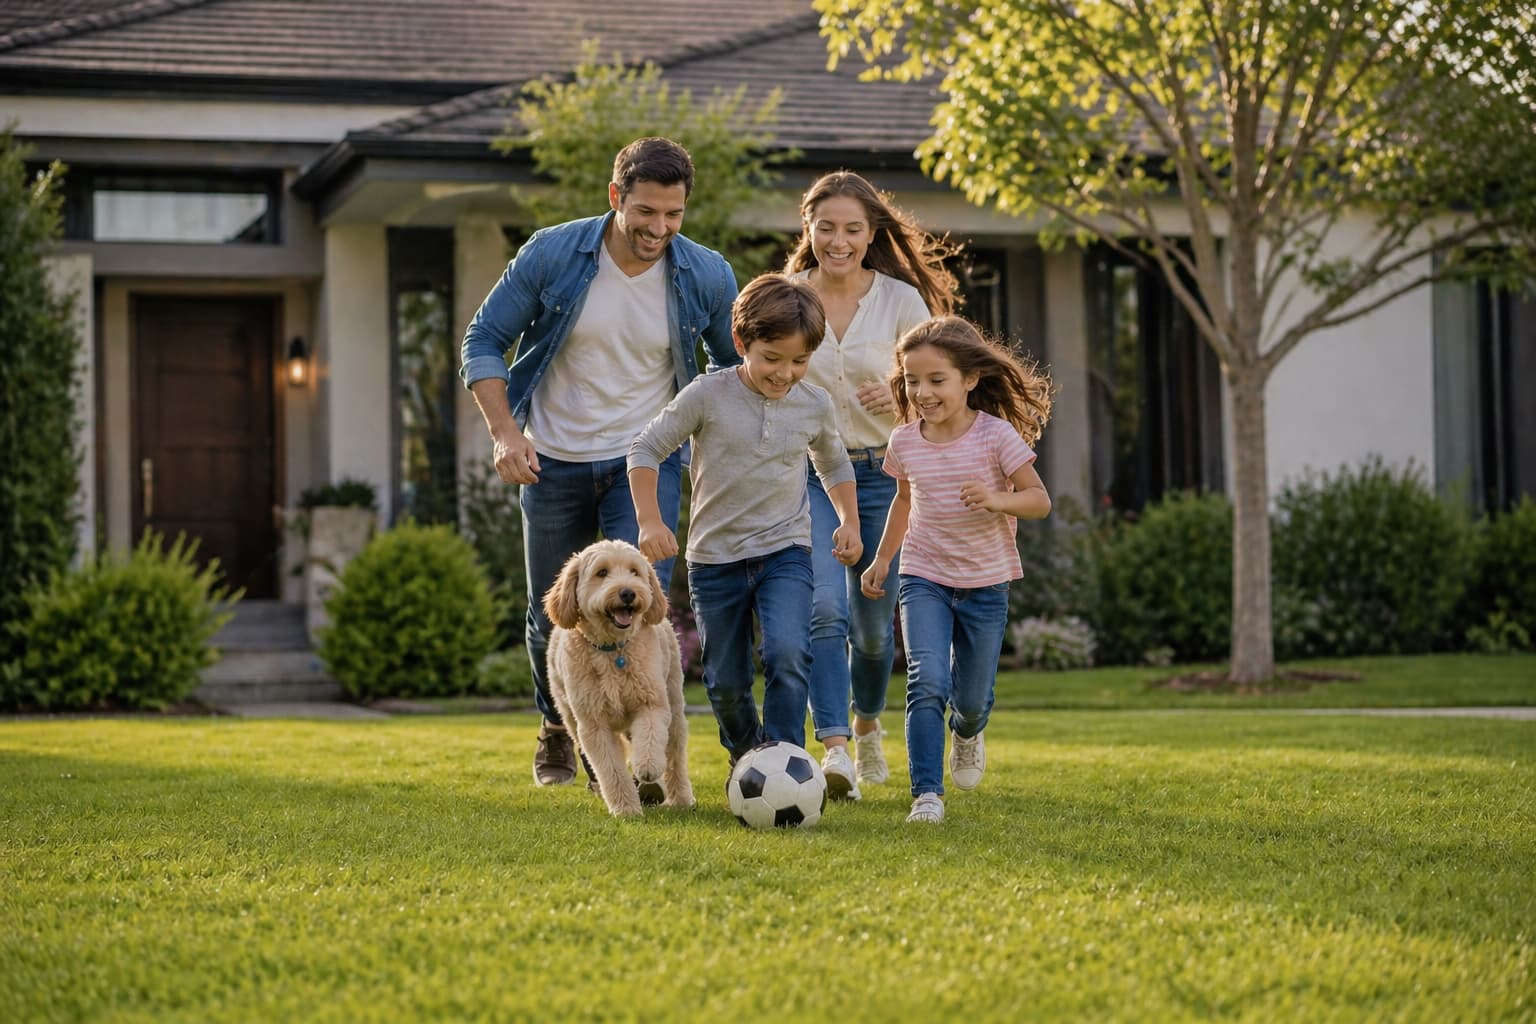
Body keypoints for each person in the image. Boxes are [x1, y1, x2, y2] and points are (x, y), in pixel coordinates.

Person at [460, 137, 739, 788]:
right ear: (616, 197)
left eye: (674, 215)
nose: (659, 229)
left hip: (645, 461)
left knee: (644, 611)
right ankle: (560, 726)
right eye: (645, 212)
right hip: (551, 457)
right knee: (550, 613)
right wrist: (505, 432)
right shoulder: (553, 254)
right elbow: (485, 340)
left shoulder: (704, 273)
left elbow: (733, 369)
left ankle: (646, 752)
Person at [629, 273, 863, 781]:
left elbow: (834, 464)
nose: (785, 374)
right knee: (726, 681)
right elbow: (646, 449)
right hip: (715, 559)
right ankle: (746, 755)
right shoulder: (706, 395)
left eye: (799, 361)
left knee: (787, 651)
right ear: (742, 343)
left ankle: (784, 761)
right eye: (772, 358)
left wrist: (849, 520)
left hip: (786, 550)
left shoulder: (814, 403)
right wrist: (649, 519)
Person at [782, 170, 959, 799]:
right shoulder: (788, 295)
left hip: (887, 475)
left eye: (852, 229)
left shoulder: (902, 302)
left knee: (875, 630)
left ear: (871, 232)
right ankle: (833, 748)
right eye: (825, 227)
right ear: (808, 228)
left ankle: (865, 724)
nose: (838, 240)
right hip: (811, 477)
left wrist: (900, 395)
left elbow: (937, 387)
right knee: (824, 609)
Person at [859, 316, 1053, 824]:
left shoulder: (996, 436)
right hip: (923, 575)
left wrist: (997, 499)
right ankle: (927, 793)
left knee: (969, 698)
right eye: (912, 380)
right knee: (926, 680)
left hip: (986, 583)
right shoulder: (904, 441)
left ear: (970, 379)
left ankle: (966, 731)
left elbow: (1039, 500)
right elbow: (903, 501)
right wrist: (883, 559)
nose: (922, 392)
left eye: (936, 380)